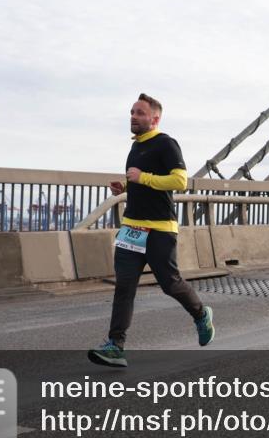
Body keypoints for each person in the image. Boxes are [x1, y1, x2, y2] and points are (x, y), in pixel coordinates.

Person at [88, 93, 214, 368]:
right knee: (124, 288)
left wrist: (142, 178)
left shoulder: (166, 144)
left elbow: (180, 181)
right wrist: (127, 187)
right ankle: (115, 346)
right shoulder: (135, 148)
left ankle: (201, 314)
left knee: (170, 284)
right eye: (132, 112)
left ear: (154, 118)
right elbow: (143, 182)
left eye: (139, 113)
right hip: (132, 228)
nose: (133, 116)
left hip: (159, 229)